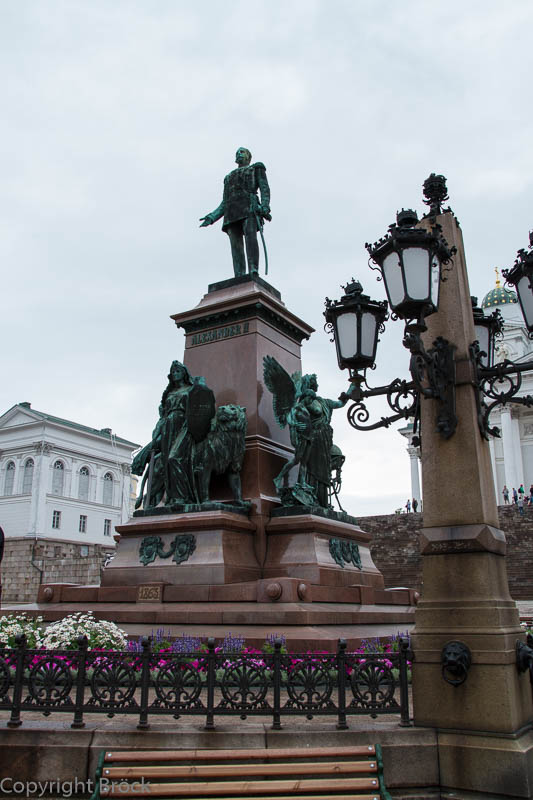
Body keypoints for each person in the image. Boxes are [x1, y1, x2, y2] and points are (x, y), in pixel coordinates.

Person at [200, 147, 271, 277]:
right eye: (237, 152)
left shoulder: (256, 168)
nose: (239, 154)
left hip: (249, 207)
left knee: (251, 239)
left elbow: (264, 189)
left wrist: (265, 207)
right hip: (231, 212)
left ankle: (253, 269)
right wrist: (212, 217)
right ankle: (239, 274)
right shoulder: (228, 178)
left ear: (249, 157)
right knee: (235, 245)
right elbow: (225, 202)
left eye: (242, 152)